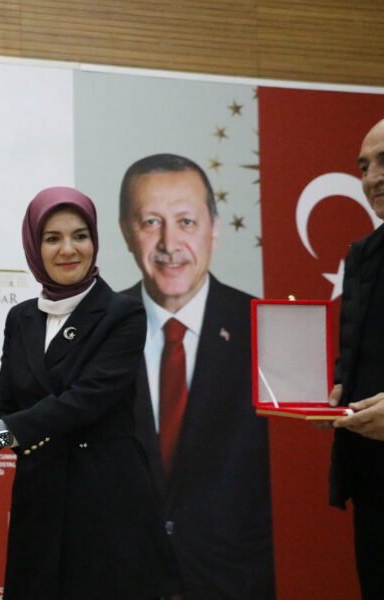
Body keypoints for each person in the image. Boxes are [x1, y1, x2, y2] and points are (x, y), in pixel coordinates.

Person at [0, 187, 178, 599]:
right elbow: (6, 402)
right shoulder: (22, 318)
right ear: (34, 246)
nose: (68, 249)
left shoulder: (123, 312)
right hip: (41, 504)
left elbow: (82, 401)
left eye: (80, 236)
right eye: (52, 238)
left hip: (107, 507)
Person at [118, 153, 275, 599]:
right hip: (124, 581)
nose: (169, 243)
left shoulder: (265, 329)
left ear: (214, 228)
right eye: (151, 222)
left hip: (237, 584)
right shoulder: (97, 330)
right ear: (126, 231)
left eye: (186, 222)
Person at [327, 115, 384, 599]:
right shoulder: (364, 256)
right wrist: (335, 395)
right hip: (378, 490)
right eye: (364, 166)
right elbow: (356, 352)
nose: (372, 178)